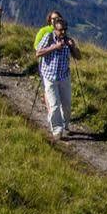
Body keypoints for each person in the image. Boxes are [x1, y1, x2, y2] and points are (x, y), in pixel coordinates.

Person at [33, 10, 81, 138]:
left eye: (65, 30)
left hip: (64, 77)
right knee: (54, 105)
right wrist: (54, 47)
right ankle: (57, 130)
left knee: (66, 104)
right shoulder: (48, 38)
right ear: (55, 29)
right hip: (49, 77)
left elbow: (78, 57)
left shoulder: (68, 41)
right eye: (61, 30)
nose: (63, 33)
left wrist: (73, 47)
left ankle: (65, 124)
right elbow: (38, 52)